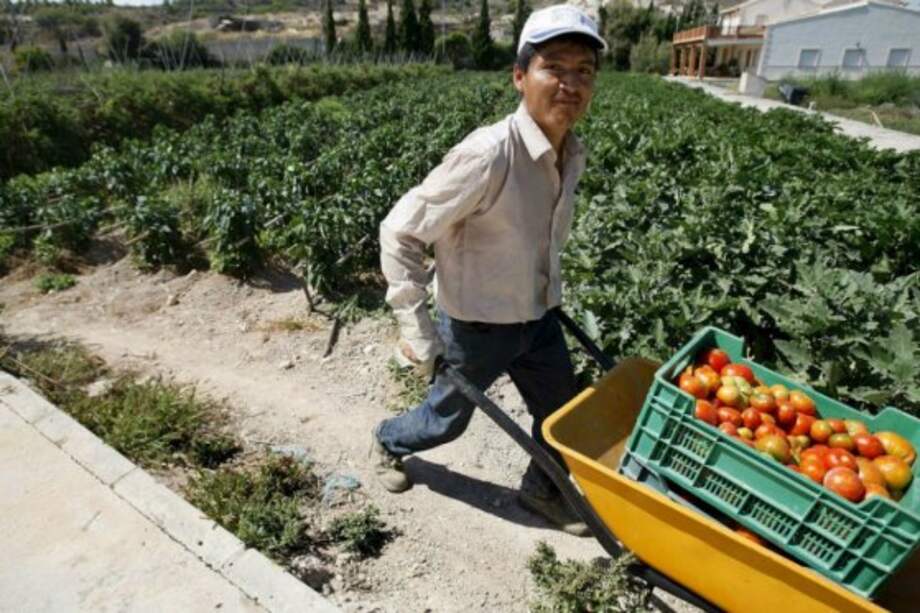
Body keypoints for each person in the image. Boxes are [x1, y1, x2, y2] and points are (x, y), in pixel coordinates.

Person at [370, 4, 605, 537]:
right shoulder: (488, 155)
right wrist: (419, 332)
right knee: (445, 422)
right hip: (477, 326)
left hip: (539, 318)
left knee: (561, 418)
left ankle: (541, 490)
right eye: (554, 67)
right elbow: (400, 231)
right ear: (520, 76)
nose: (570, 84)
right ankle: (388, 440)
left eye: (584, 71)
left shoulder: (572, 152)